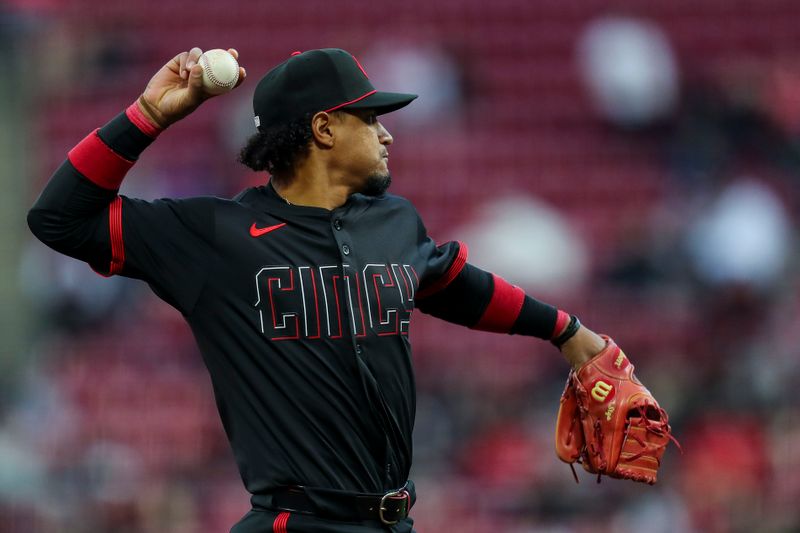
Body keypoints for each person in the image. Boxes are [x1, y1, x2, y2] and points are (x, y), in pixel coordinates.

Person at [28, 47, 609, 533]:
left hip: (392, 521)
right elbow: (59, 219)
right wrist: (149, 113)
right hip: (296, 523)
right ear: (325, 127)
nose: (386, 135)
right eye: (371, 120)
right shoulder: (214, 236)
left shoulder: (393, 222)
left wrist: (567, 332)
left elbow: (454, 284)